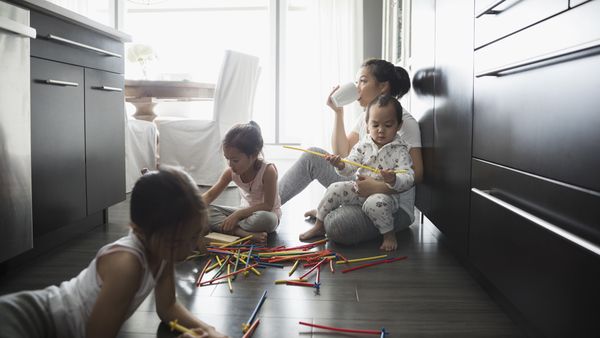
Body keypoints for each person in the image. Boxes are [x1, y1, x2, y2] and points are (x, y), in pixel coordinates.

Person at [0, 166, 228, 338]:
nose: (190, 248)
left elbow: (167, 308)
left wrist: (209, 330)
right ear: (139, 230)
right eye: (179, 240)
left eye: (194, 235)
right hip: (27, 320)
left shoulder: (162, 251)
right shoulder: (127, 265)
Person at [279, 58, 423, 245]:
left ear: (383, 87)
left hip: (392, 204)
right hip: (360, 188)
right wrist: (338, 113)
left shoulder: (405, 122)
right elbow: (343, 153)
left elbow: (417, 174)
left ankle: (330, 213)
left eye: (363, 81)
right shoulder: (366, 117)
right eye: (357, 82)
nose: (357, 88)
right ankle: (267, 206)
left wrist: (377, 187)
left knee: (337, 226)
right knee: (312, 155)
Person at [300, 95, 414, 251]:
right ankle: (319, 225)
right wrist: (340, 164)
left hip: (385, 198)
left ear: (399, 125)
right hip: (358, 189)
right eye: (375, 125)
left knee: (375, 203)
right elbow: (349, 166)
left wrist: (394, 179)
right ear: (367, 125)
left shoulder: (401, 150)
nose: (380, 130)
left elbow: (409, 177)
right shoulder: (364, 144)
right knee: (335, 188)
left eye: (388, 125)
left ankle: (388, 234)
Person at [202, 121, 281, 244]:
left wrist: (237, 215)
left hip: (264, 215)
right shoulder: (230, 172)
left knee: (266, 219)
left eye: (235, 160)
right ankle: (243, 233)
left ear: (254, 155)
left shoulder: (268, 171)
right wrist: (190, 208)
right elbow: (210, 195)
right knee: (205, 211)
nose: (230, 164)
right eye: (227, 159)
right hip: (244, 215)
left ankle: (228, 227)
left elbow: (268, 205)